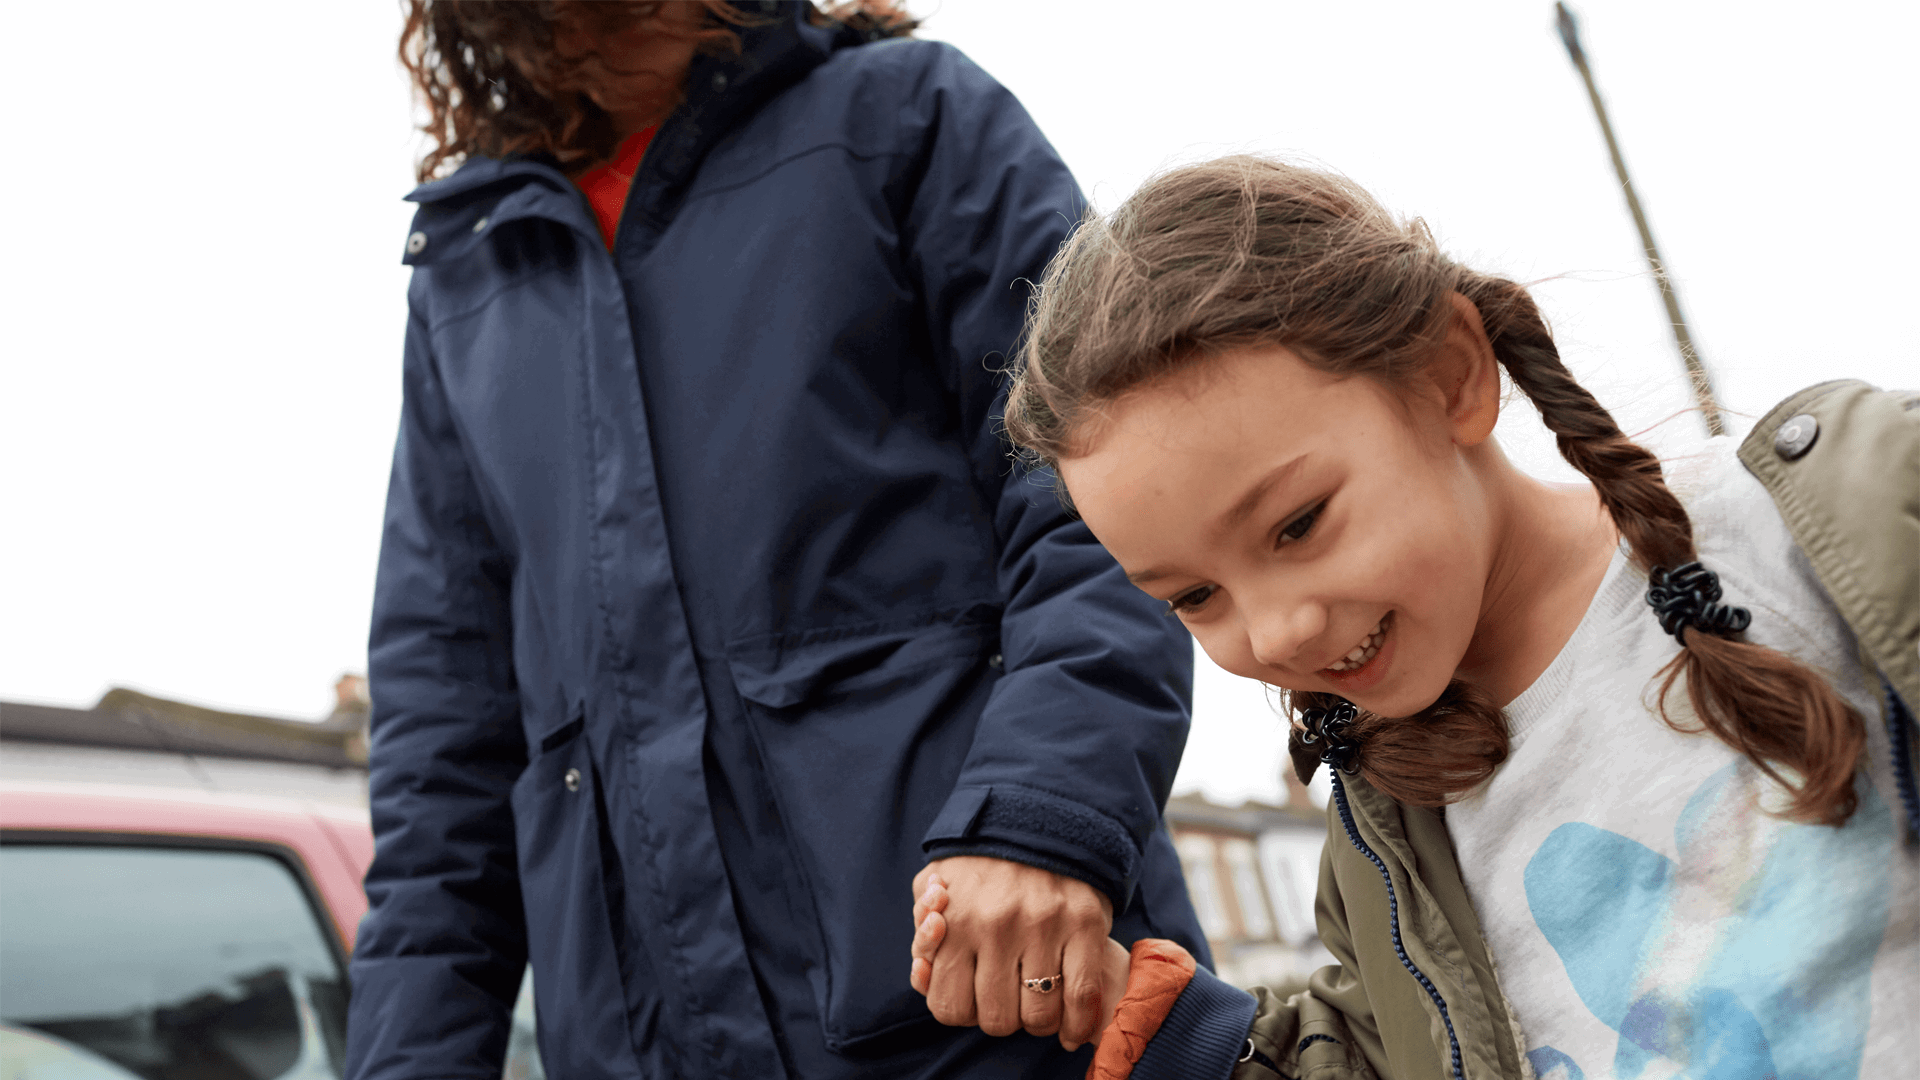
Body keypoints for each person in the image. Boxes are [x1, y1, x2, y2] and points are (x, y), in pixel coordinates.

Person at [911, 156, 1919, 1080]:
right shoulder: (1387, 829)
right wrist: (1174, 1038)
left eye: (1297, 525)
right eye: (1194, 597)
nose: (1274, 636)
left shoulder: (1835, 529)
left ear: (1449, 376)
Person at [347, 3, 1210, 1079]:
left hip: (997, 1013)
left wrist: (1040, 820)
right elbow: (444, 756)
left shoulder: (910, 117)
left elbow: (1103, 498)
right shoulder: (467, 278)